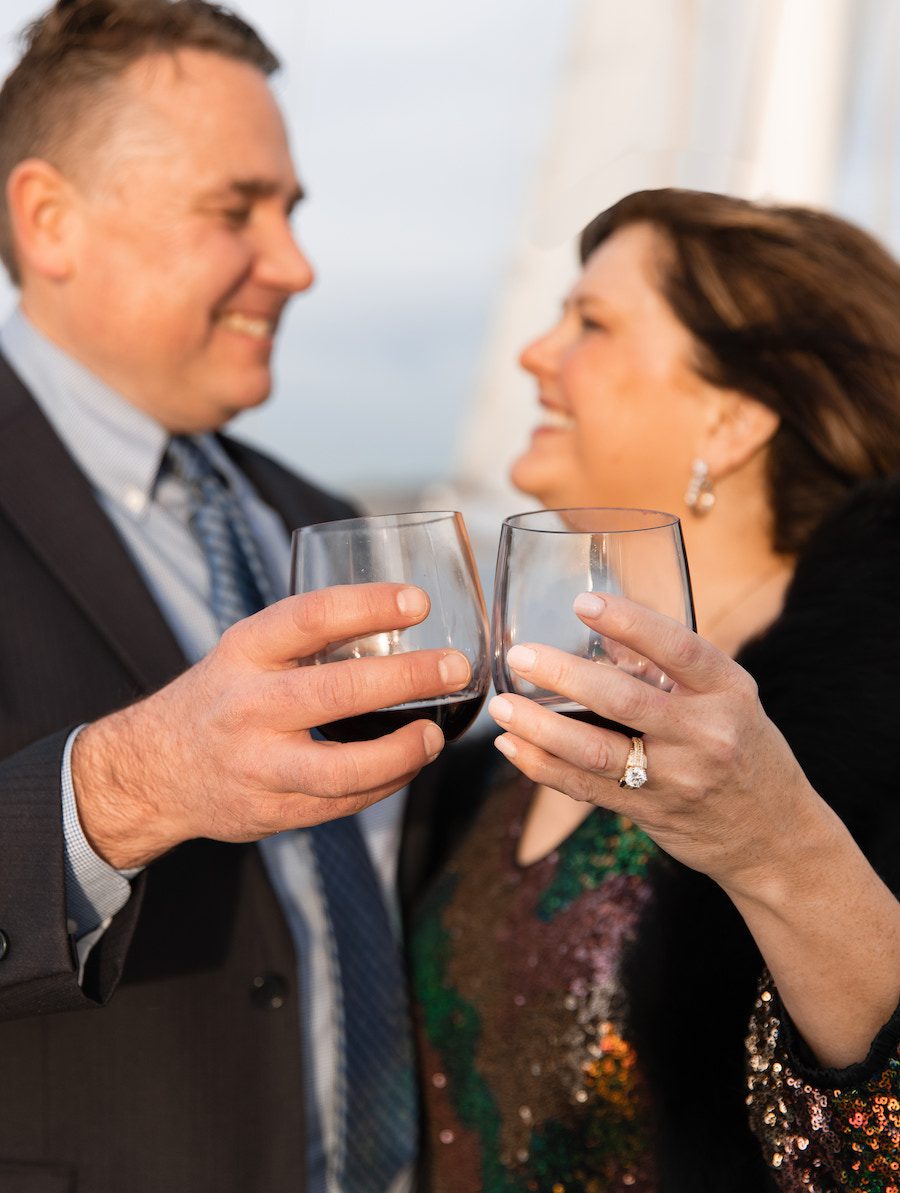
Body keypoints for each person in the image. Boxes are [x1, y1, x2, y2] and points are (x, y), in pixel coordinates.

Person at [0, 3, 475, 1191]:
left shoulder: (332, 521)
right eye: (235, 210)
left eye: (292, 211)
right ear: (50, 219)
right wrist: (128, 783)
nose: (297, 264)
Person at [411, 190, 900, 1191]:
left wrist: (782, 849)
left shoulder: (871, 728)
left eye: (591, 323)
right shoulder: (497, 755)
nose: (533, 355)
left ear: (732, 414)